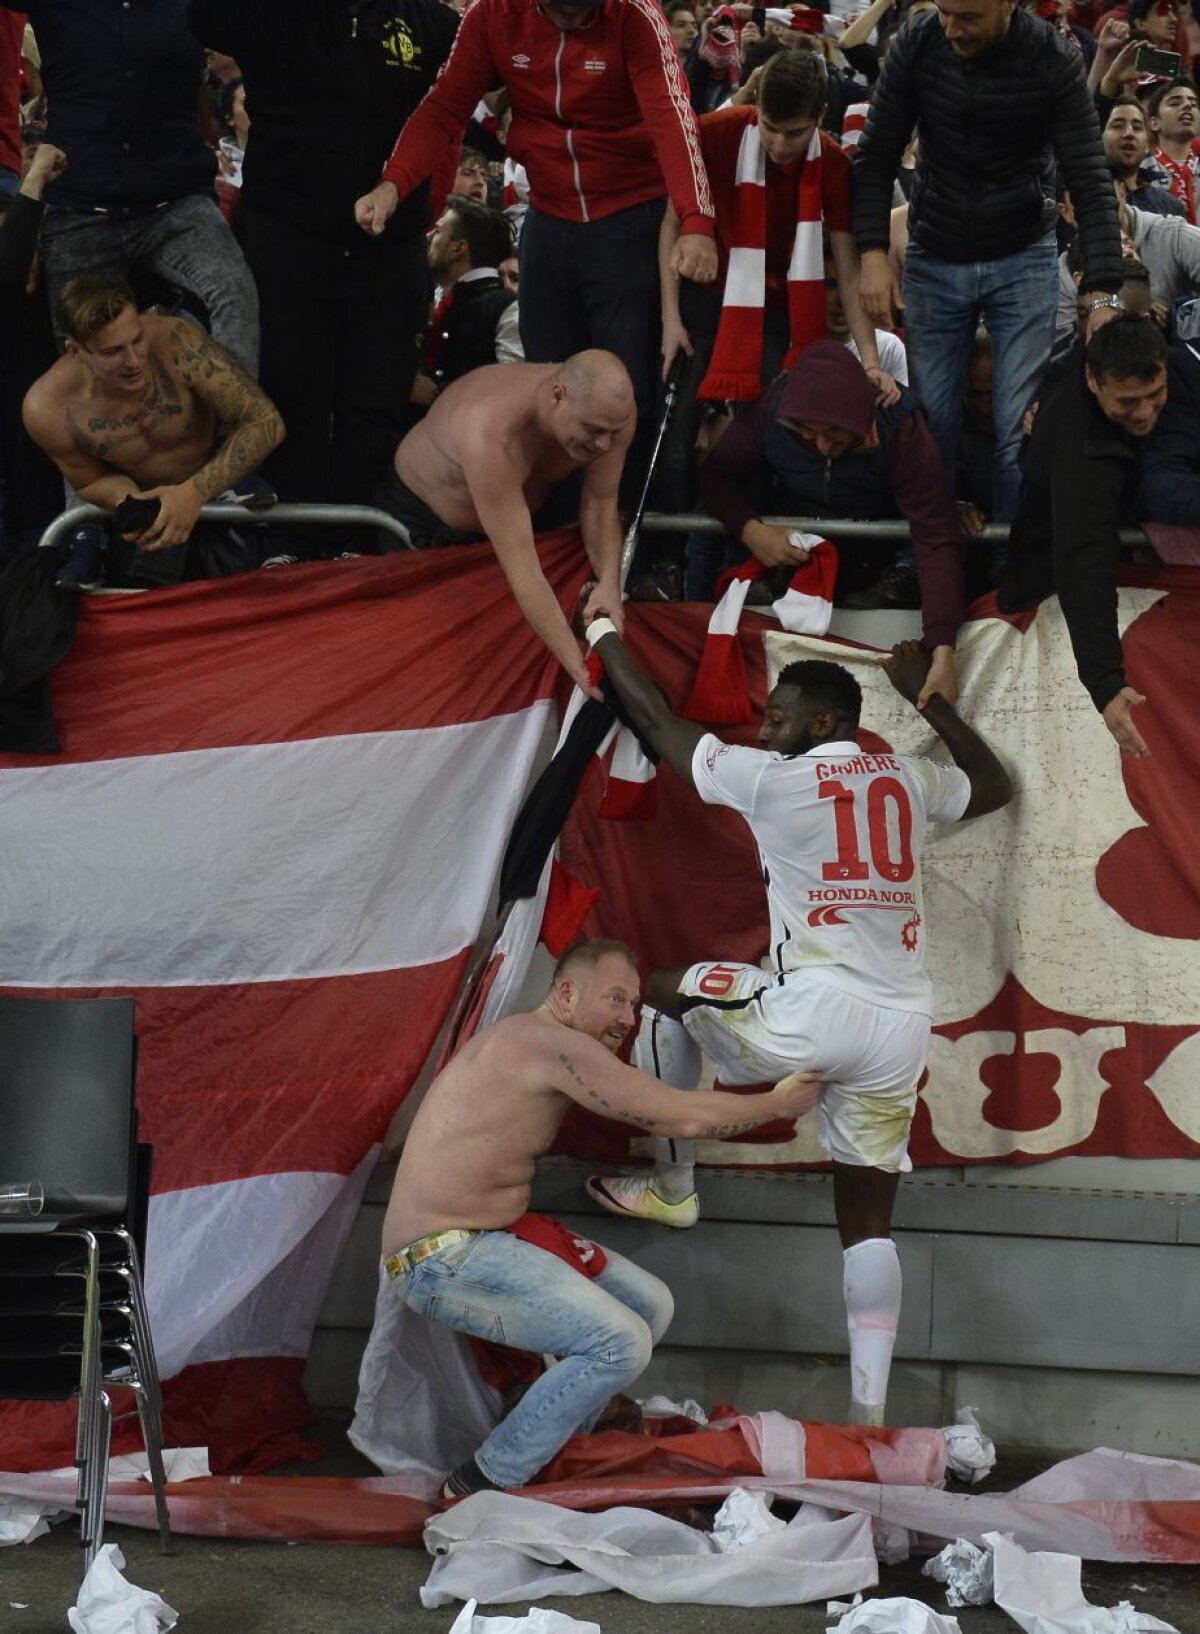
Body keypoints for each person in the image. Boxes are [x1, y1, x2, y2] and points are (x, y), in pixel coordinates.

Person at [580, 624, 1011, 1425]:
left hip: (812, 1014)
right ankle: (869, 1417)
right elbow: (993, 785)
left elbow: (658, 724)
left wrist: (605, 631)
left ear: (823, 723)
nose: (763, 729)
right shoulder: (908, 777)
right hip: (900, 1026)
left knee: (663, 986)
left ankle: (674, 1186)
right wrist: (937, 702)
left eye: (778, 718)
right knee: (869, 1219)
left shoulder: (773, 780)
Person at [383, 937, 820, 1495]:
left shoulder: (537, 1041)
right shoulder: (546, 1042)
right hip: (440, 1256)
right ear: (565, 993)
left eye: (634, 1006)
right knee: (620, 1343)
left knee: (650, 1305)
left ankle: (560, 1449)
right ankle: (482, 1481)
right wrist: (777, 1106)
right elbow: (680, 1117)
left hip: (487, 1237)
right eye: (615, 999)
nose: (628, 1018)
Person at [353, 0, 719, 509]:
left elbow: (671, 115)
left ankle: (627, 538)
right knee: (551, 385)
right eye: (559, 11)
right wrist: (393, 184)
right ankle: (555, 531)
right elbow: (444, 107)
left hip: (629, 216)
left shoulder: (634, 15)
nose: (572, 20)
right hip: (548, 218)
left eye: (584, 10)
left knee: (625, 392)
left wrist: (696, 222)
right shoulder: (491, 15)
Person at [185, 0, 458, 546]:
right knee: (291, 399)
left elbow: (489, 65)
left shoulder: (428, 19)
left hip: (389, 245)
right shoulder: (278, 14)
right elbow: (207, 16)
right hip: (289, 240)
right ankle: (290, 551)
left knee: (376, 406)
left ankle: (360, 549)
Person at [852, 0, 1126, 526]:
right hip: (935, 248)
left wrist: (1105, 289)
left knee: (1018, 431)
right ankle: (925, 568)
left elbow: (1089, 174)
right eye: (945, 12)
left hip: (1023, 251)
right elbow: (877, 152)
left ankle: (1011, 584)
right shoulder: (917, 40)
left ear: (1007, 4)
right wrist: (871, 253)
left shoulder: (1052, 56)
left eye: (967, 17)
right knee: (931, 428)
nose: (952, 28)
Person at [651, 50, 899, 588]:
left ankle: (734, 570)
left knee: (755, 450)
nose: (779, 145)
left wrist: (873, 359)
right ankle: (664, 568)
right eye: (768, 128)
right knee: (674, 449)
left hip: (775, 317)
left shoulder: (832, 163)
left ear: (820, 118)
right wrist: (669, 318)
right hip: (700, 303)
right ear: (755, 107)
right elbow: (673, 226)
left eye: (794, 133)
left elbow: (849, 267)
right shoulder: (716, 131)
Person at [694, 340, 965, 694]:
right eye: (808, 432)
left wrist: (944, 653)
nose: (822, 445)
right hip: (790, 549)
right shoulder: (773, 411)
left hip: (874, 556)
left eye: (834, 432)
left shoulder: (899, 426)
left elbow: (936, 535)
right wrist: (754, 533)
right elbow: (716, 476)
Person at [6, 0, 259, 376]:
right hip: (81, 206)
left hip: (177, 202)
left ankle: (238, 428)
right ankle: (96, 433)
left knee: (235, 296)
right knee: (81, 364)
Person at [378, 350, 633, 696]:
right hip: (425, 519)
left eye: (612, 433)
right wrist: (580, 669)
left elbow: (601, 506)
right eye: (593, 431)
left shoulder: (611, 415)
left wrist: (610, 584)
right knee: (434, 667)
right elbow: (525, 572)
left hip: (530, 510)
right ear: (558, 396)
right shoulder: (491, 430)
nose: (604, 444)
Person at [23, 276, 284, 581]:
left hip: (214, 483)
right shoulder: (48, 408)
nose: (134, 360)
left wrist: (193, 493)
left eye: (137, 339)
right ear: (75, 351)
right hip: (151, 511)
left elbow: (265, 421)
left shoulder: (176, 341)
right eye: (113, 352)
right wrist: (133, 502)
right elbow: (89, 481)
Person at [999, 316, 1169, 757]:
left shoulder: (1097, 353)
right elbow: (1084, 566)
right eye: (1128, 402)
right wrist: (1106, 683)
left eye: (1156, 395)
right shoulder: (1084, 459)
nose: (1146, 412)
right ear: (1092, 380)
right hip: (1049, 594)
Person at [412, 196, 521, 412]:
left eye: (438, 231)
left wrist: (437, 394)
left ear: (458, 249)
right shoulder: (434, 303)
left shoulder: (507, 306)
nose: (428, 236)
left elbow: (515, 392)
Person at [1102, 97, 1188, 218]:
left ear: (1147, 145)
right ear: (1100, 139)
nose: (1129, 133)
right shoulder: (1086, 194)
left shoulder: (1171, 207)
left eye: (1137, 128)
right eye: (1117, 126)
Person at [1146, 76, 1200, 222]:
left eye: (1193, 104)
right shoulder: (1140, 173)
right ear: (1154, 123)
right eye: (1175, 103)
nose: (1187, 105)